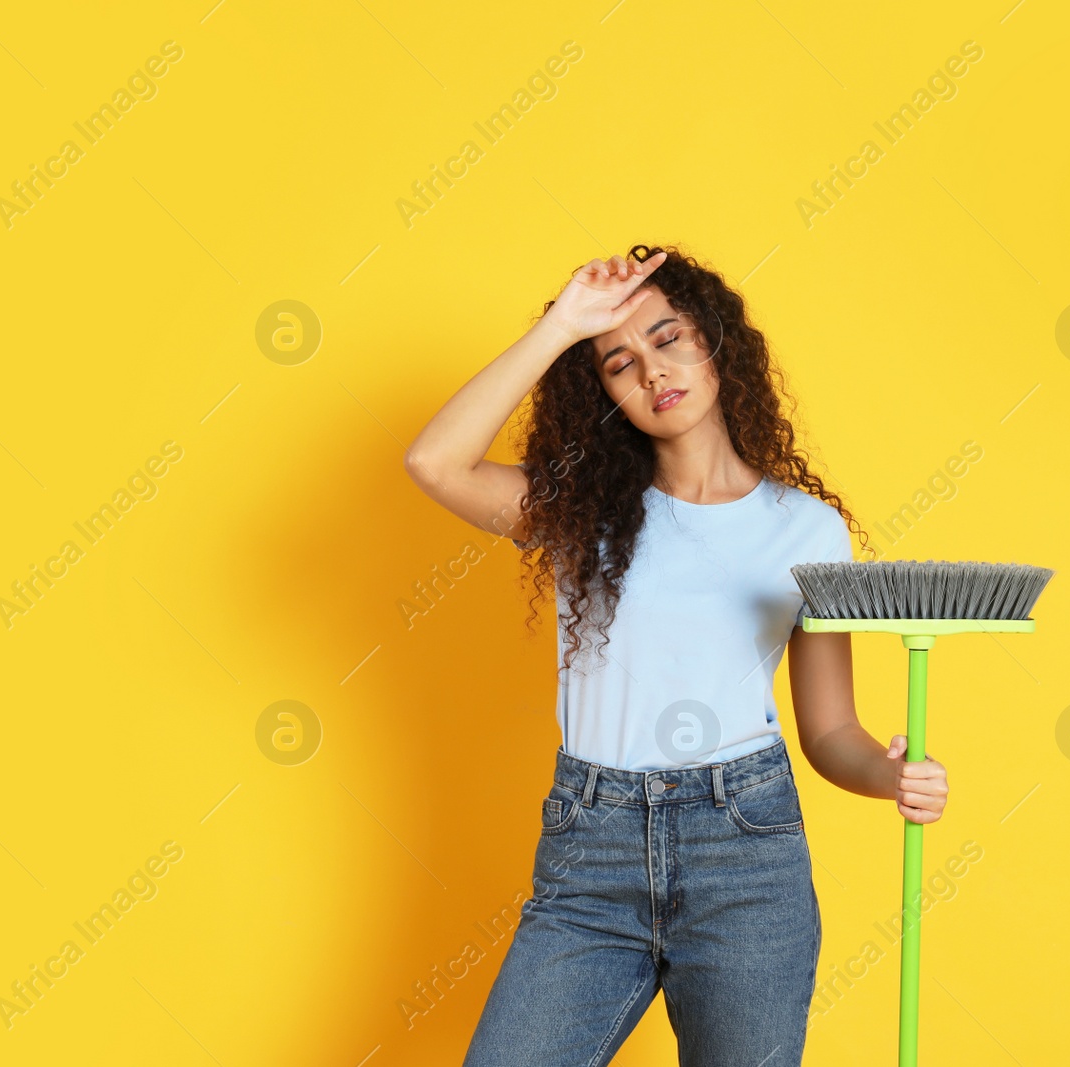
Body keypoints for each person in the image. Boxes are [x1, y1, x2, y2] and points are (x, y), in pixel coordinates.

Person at [403, 244, 949, 1066]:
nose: (653, 371)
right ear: (604, 396)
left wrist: (888, 772)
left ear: (716, 341)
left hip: (747, 856)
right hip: (592, 848)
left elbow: (831, 728)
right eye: (619, 363)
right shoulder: (580, 511)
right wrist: (562, 327)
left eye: (670, 338)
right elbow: (433, 462)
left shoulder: (807, 530)